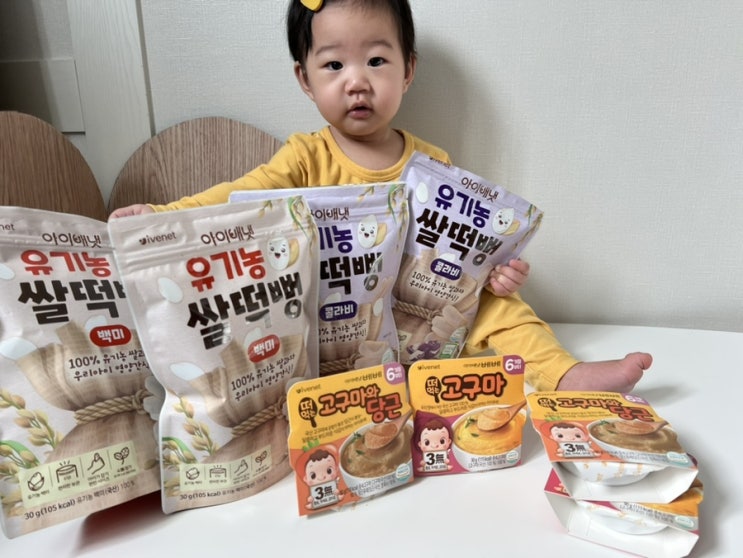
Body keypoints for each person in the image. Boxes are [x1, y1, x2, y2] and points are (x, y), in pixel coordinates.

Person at [110, 0, 652, 393]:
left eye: (375, 61)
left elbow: (458, 261)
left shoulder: (432, 165)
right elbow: (238, 198)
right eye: (333, 65)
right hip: (337, 323)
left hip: (417, 317)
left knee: (501, 307)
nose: (356, 81)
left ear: (407, 70)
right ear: (305, 79)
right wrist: (161, 216)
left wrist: (494, 273)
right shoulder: (304, 157)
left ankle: (563, 375)